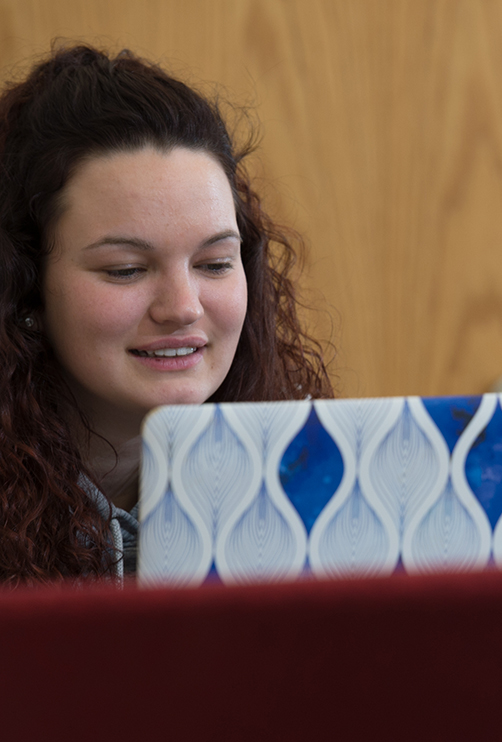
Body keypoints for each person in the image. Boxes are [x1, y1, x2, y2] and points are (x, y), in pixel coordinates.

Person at [0, 44, 331, 584]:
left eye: (215, 263)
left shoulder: (316, 493)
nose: (182, 306)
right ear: (25, 289)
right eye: (126, 269)